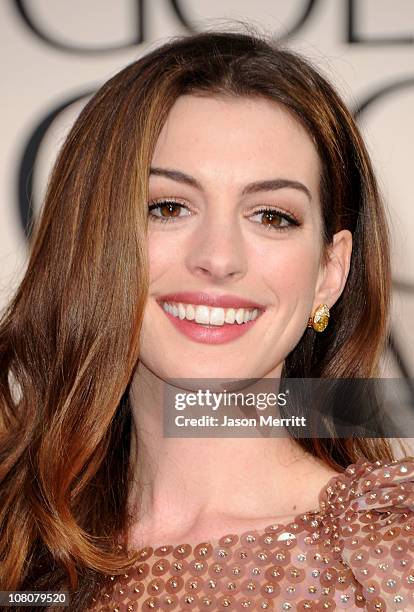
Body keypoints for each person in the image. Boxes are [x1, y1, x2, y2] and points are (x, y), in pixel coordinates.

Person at [1, 27, 413, 611]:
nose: (219, 259)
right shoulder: (16, 546)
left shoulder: (392, 551)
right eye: (168, 207)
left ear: (330, 271)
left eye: (271, 216)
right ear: (94, 243)